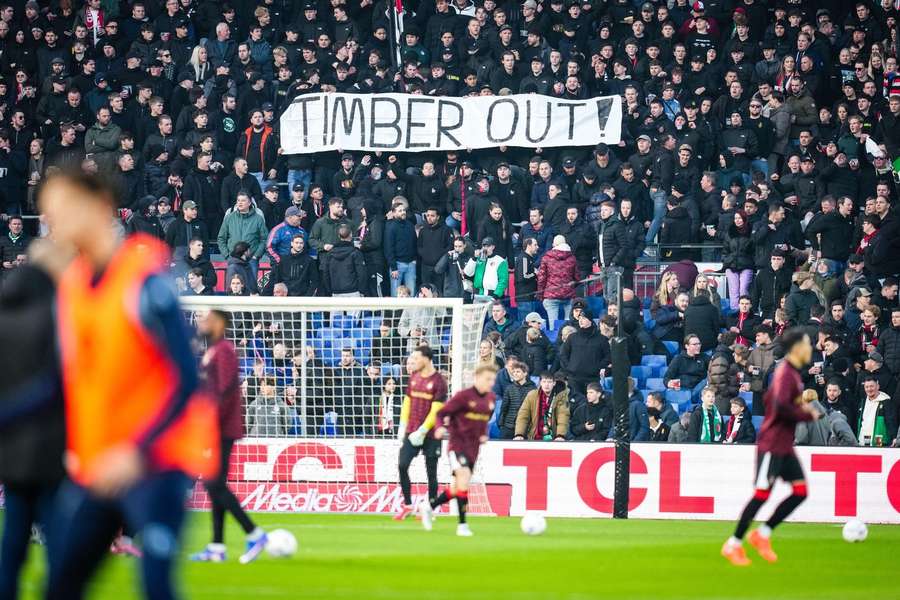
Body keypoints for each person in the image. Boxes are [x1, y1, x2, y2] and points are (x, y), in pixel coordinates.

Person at [38, 171, 218, 599]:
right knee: (61, 581)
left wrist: (137, 450)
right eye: (48, 213)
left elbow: (186, 380)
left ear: (100, 205)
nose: (54, 221)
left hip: (156, 461)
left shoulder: (144, 281)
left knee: (155, 584)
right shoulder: (73, 287)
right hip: (101, 465)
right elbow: (67, 381)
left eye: (63, 209)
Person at [0, 244, 66, 600]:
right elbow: (56, 386)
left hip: (10, 451)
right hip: (48, 447)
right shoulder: (51, 323)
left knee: (13, 537)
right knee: (57, 536)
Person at [722, 328, 819, 566]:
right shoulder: (785, 373)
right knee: (762, 494)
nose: (810, 348)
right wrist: (806, 413)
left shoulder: (792, 373)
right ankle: (733, 544)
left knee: (800, 492)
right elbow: (779, 406)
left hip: (784, 444)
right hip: (773, 443)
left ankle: (761, 534)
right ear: (796, 348)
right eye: (807, 344)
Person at [190, 310, 267, 563]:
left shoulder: (224, 350)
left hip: (221, 428)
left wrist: (208, 423)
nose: (203, 322)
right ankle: (217, 547)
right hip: (217, 426)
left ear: (221, 323)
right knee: (215, 486)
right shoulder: (214, 349)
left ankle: (254, 533)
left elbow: (224, 392)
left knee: (214, 484)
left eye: (208, 319)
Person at [420, 364, 498, 537]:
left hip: (473, 448)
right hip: (457, 445)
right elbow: (441, 413)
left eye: (493, 379)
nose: (491, 383)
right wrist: (440, 428)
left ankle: (429, 506)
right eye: (487, 379)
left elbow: (483, 421)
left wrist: (483, 434)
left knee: (457, 488)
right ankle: (462, 525)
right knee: (463, 479)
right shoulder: (463, 396)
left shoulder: (491, 399)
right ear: (477, 378)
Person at [394, 346, 447, 521]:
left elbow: (436, 409)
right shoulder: (414, 377)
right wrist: (403, 425)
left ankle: (430, 508)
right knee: (402, 465)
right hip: (411, 431)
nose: (413, 361)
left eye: (416, 358)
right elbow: (407, 401)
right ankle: (408, 505)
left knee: (431, 471)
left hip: (431, 434)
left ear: (426, 359)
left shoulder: (439, 381)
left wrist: (423, 430)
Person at [513, 372, 569, 441]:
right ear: (540, 383)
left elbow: (563, 417)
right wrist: (519, 434)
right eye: (544, 381)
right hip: (534, 437)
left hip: (553, 438)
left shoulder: (561, 397)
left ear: (554, 383)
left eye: (549, 382)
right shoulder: (532, 395)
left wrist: (560, 435)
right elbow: (523, 416)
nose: (546, 384)